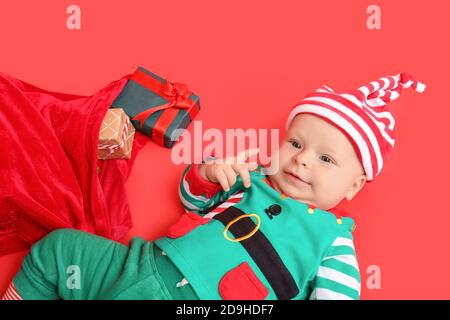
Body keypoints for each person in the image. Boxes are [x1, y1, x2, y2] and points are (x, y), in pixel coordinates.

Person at [0, 73, 425, 300]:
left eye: (325, 159)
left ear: (353, 185)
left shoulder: (331, 241)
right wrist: (207, 175)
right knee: (58, 251)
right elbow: (192, 199)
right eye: (296, 143)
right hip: (142, 265)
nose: (302, 158)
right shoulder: (252, 179)